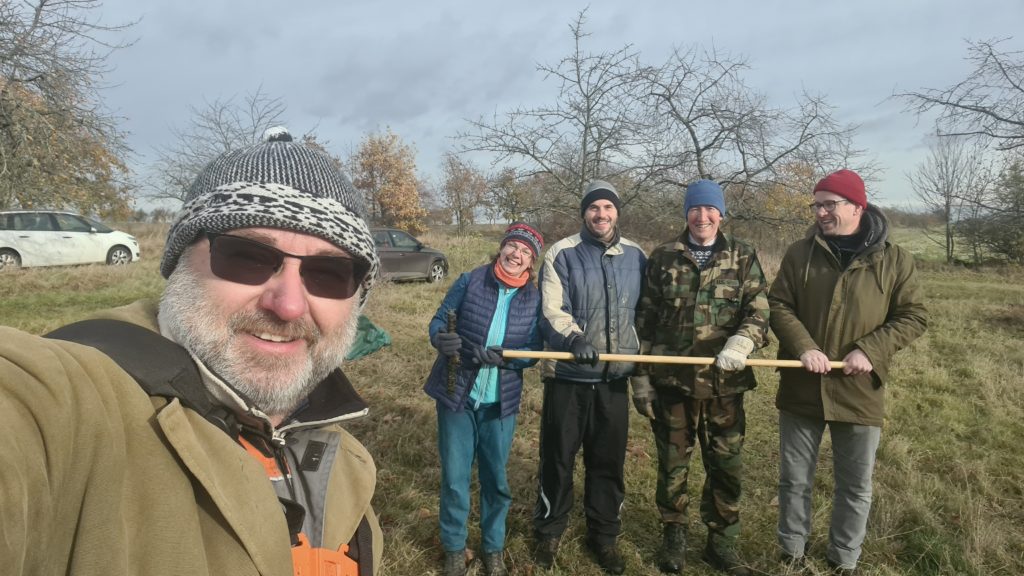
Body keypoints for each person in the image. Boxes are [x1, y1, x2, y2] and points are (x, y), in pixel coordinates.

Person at [0, 127, 383, 576]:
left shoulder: (348, 465)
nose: (289, 304)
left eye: (329, 273)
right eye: (247, 257)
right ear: (179, 264)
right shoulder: (68, 402)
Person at [769, 169, 927, 575]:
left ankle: (844, 560)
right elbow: (780, 305)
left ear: (857, 206)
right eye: (817, 204)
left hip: (860, 389)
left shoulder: (895, 260)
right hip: (802, 386)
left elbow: (914, 316)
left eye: (829, 204)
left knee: (855, 486)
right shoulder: (799, 254)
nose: (820, 212)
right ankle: (791, 553)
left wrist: (870, 349)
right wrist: (804, 346)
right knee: (794, 480)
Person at [631, 179, 770, 576]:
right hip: (671, 384)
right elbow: (644, 322)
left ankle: (721, 542)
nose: (702, 216)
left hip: (724, 387)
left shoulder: (742, 256)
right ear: (686, 214)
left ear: (721, 214)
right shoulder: (662, 258)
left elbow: (759, 311)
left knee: (725, 465)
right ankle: (673, 535)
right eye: (695, 209)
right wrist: (640, 378)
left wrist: (743, 341)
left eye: (710, 210)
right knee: (673, 464)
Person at [532, 180, 647, 575]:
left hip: (614, 380)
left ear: (617, 212)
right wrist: (574, 336)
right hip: (569, 377)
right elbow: (550, 308)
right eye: (594, 208)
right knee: (558, 459)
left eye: (608, 208)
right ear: (584, 213)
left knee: (608, 462)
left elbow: (644, 314)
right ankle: (549, 531)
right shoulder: (561, 253)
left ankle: (604, 535)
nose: (601, 214)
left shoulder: (636, 256)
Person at [424, 222, 545, 576]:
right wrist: (439, 340)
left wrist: (509, 356)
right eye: (513, 247)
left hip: (500, 404)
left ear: (530, 263)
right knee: (455, 477)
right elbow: (437, 321)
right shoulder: (471, 279)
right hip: (457, 394)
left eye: (525, 252)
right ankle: (454, 548)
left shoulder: (534, 298)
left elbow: (534, 353)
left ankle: (493, 549)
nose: (516, 255)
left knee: (496, 479)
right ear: (502, 248)